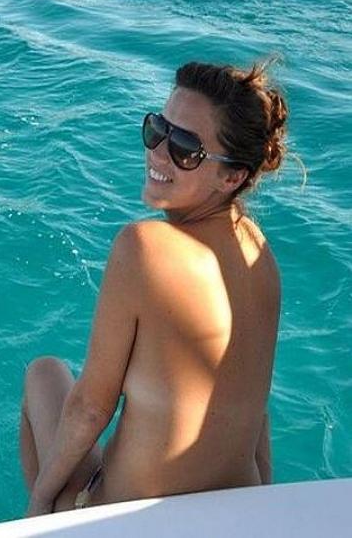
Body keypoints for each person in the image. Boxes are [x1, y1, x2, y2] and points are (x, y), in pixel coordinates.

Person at [20, 61, 291, 515]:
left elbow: (90, 408)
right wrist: (264, 500)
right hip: (239, 505)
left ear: (232, 176)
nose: (159, 154)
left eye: (186, 148)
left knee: (44, 374)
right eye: (158, 130)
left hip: (127, 518)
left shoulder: (143, 247)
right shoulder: (259, 254)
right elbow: (254, 410)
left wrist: (41, 501)